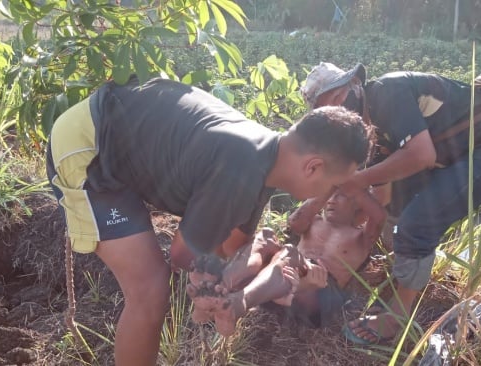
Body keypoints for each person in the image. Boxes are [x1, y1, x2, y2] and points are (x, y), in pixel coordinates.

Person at [45, 75, 373, 366]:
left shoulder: (267, 161)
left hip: (122, 135)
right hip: (90, 146)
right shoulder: (240, 169)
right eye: (333, 186)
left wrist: (237, 283)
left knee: (198, 264)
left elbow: (233, 245)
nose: (330, 196)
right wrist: (212, 282)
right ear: (313, 167)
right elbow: (182, 255)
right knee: (151, 288)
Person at [298, 62, 481, 345]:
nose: (339, 109)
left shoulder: (386, 93)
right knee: (400, 206)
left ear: (355, 86)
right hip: (454, 154)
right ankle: (407, 271)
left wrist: (356, 183)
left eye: (338, 98)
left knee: (419, 221)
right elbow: (384, 196)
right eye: (329, 110)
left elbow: (421, 155)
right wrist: (322, 208)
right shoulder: (366, 133)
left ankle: (398, 315)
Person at [187, 187, 386, 335]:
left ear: (357, 204)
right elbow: (295, 221)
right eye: (330, 194)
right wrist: (332, 185)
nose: (331, 200)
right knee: (265, 236)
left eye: (340, 195)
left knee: (289, 252)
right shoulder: (314, 221)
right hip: (282, 281)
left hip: (320, 292)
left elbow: (378, 218)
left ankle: (237, 304)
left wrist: (353, 182)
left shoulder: (360, 237)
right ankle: (217, 288)